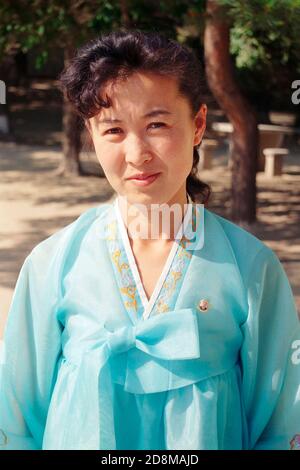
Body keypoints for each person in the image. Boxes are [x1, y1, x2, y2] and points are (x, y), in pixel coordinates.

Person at [0, 30, 299, 451]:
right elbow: (16, 421)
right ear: (91, 134)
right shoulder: (53, 263)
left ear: (197, 125)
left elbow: (280, 423)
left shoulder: (251, 267)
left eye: (156, 124)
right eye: (114, 130)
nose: (137, 153)